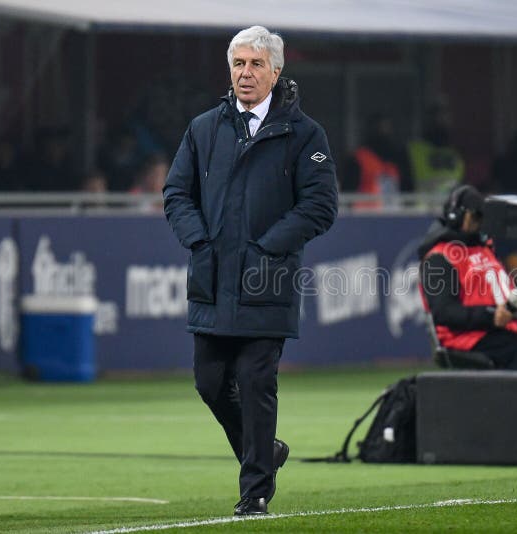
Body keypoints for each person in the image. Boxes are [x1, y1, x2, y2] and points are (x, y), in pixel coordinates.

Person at [163, 25, 338, 516]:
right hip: (212, 277)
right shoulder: (203, 129)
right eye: (238, 64)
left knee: (257, 382)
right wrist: (199, 240)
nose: (245, 73)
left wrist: (265, 248)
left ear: (277, 72)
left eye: (256, 64)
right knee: (210, 383)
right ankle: (266, 452)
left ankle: (255, 491)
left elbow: (321, 206)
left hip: (267, 279)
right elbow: (176, 193)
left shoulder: (307, 135)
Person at [417, 185, 517, 370]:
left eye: (482, 217)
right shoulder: (439, 258)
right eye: (475, 216)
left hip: (503, 326)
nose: (480, 223)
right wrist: (490, 315)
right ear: (457, 216)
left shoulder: (484, 248)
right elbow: (445, 312)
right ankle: (514, 399)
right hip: (467, 335)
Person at [342, 113, 412, 209]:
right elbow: (348, 194)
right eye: (379, 128)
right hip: (366, 216)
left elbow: (408, 190)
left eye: (386, 128)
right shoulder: (358, 158)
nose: (383, 131)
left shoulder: (398, 159)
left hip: (395, 215)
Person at [408, 100, 465, 193]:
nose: (440, 121)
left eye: (444, 117)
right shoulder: (414, 150)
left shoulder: (456, 153)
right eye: (436, 117)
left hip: (449, 206)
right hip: (423, 207)